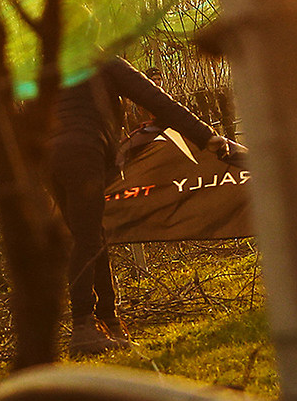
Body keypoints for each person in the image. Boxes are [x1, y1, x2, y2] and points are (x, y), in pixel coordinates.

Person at [48, 58, 241, 356]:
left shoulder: (47, 63)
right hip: (83, 151)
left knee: (90, 233)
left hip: (48, 159)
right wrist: (206, 136)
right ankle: (83, 327)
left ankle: (108, 320)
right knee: (86, 238)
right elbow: (156, 100)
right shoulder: (104, 61)